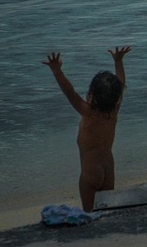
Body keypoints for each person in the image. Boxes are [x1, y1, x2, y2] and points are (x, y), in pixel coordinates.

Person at [43, 46, 131, 213]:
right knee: (106, 212)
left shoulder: (88, 113)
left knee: (90, 215)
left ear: (91, 95)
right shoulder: (114, 110)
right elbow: (121, 84)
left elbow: (70, 93)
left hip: (91, 173)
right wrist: (119, 62)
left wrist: (57, 71)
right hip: (108, 169)